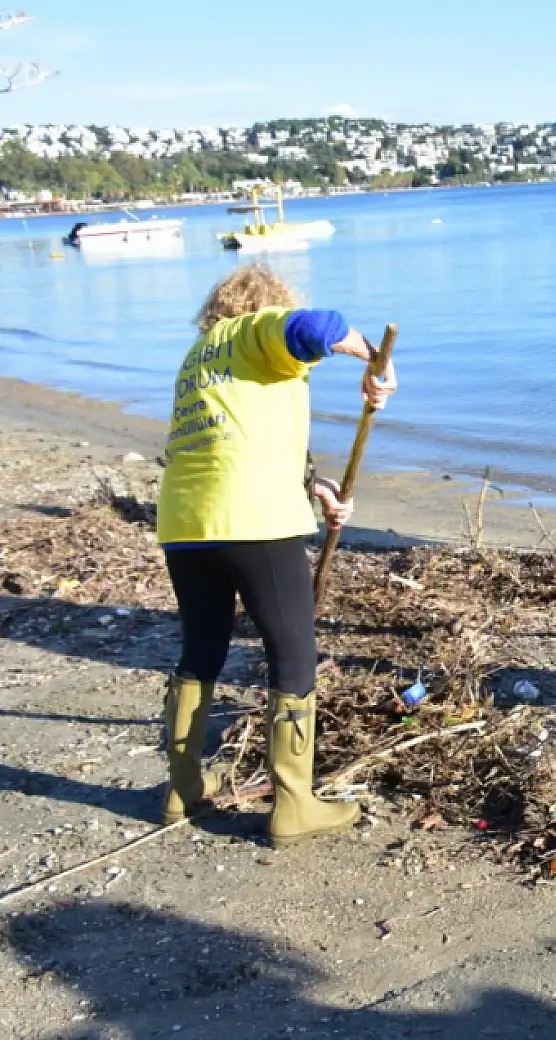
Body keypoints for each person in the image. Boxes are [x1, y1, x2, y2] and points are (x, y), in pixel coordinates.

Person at [155, 264, 397, 846]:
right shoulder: (258, 331)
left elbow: (236, 438)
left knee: (202, 648)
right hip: (254, 522)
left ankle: (182, 788)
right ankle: (293, 804)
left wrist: (314, 487)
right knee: (293, 652)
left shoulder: (201, 357)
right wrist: (376, 362)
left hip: (186, 523)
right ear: (270, 304)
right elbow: (319, 327)